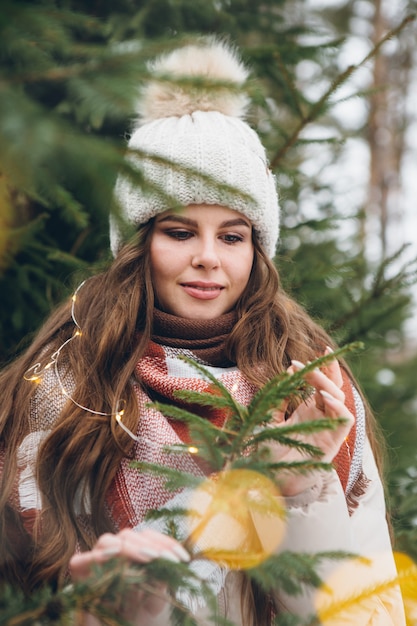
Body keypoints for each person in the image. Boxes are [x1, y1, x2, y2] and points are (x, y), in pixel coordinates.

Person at [0, 37, 405, 625]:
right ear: (139, 243)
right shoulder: (63, 391)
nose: (209, 257)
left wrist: (297, 492)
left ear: (257, 250)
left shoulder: (312, 393)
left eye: (233, 235)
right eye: (180, 232)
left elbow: (369, 616)